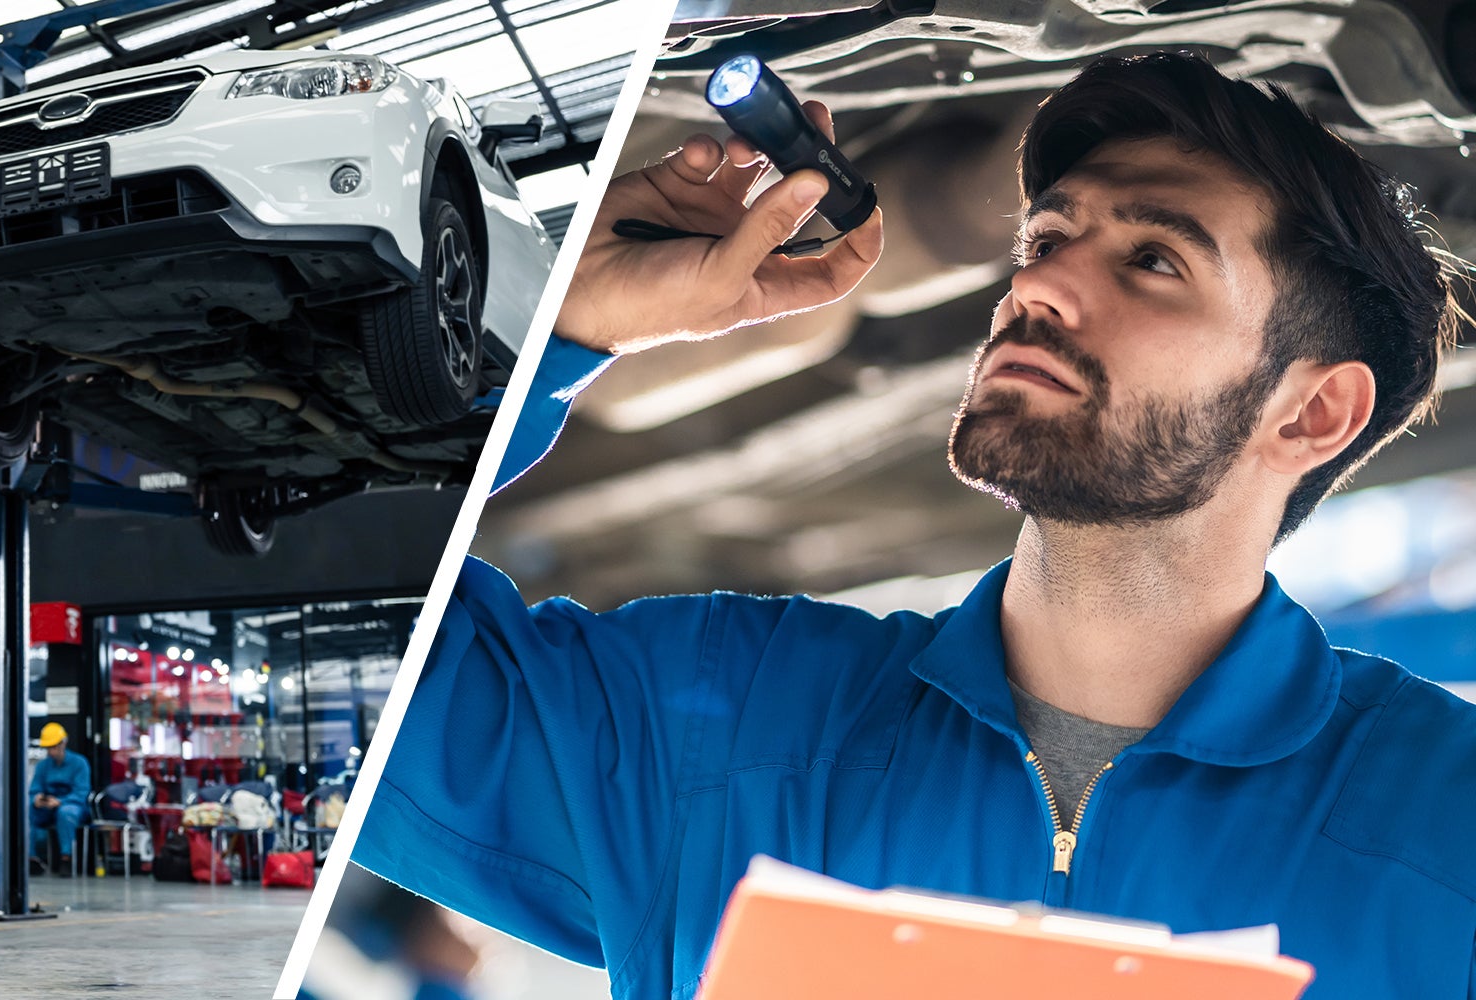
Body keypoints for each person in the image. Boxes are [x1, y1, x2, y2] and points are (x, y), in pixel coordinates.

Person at [352, 52, 1474, 999]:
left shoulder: (1445, 823)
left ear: (1312, 409)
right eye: (1044, 241)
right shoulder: (708, 724)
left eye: (1150, 260)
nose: (1037, 288)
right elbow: (347, 679)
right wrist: (562, 324)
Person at [30, 722, 92, 875]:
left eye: (54, 747)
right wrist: (37, 799)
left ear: (64, 742)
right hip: (47, 808)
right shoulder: (43, 766)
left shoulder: (79, 763)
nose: (51, 751)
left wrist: (60, 802)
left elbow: (81, 792)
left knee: (66, 813)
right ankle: (31, 858)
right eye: (48, 748)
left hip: (72, 805)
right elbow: (35, 788)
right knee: (26, 808)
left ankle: (66, 859)